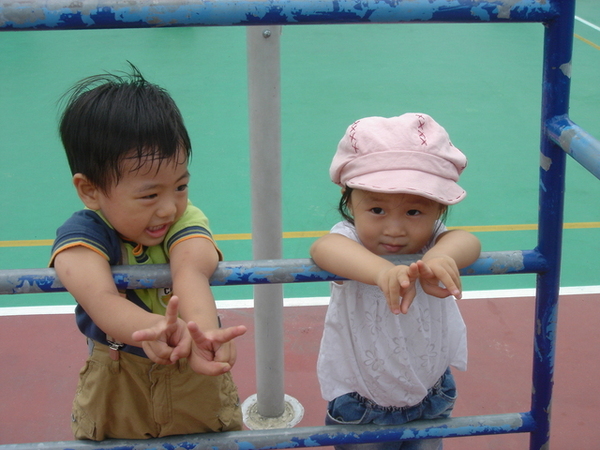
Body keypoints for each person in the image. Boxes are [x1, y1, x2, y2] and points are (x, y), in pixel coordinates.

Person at [50, 64, 247, 440]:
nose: (168, 208)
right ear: (90, 190)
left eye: (180, 186)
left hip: (191, 370)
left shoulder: (184, 220)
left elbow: (191, 273)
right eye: (150, 195)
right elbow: (99, 296)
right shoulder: (83, 233)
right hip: (118, 373)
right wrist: (149, 329)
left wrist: (204, 333)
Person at [310, 113, 481, 450]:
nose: (394, 229)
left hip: (433, 392)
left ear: (438, 212)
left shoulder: (433, 241)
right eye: (377, 210)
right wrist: (382, 272)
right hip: (362, 403)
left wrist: (439, 258)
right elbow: (323, 248)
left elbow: (468, 241)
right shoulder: (350, 241)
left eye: (414, 212)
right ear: (350, 202)